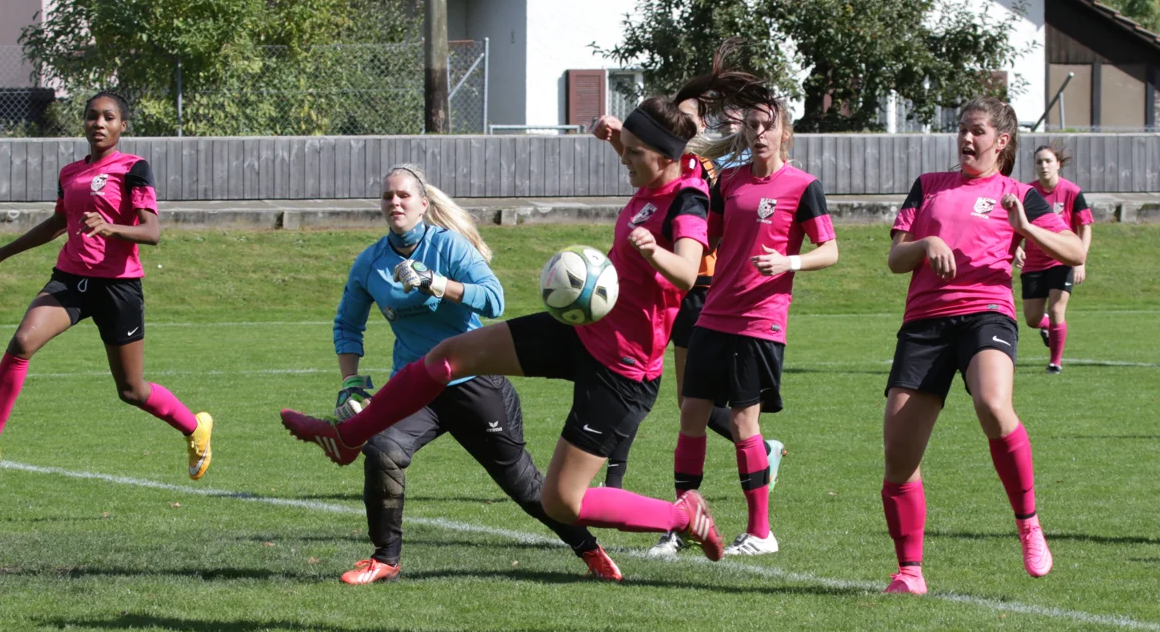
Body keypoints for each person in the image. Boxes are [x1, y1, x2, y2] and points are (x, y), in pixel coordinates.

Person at [280, 62, 776, 570]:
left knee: (561, 501)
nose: (624, 160)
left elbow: (688, 272)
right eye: (624, 149)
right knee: (447, 356)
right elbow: (650, 160)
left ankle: (681, 515)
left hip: (622, 368)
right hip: (583, 331)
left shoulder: (688, 199)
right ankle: (348, 437)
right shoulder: (668, 169)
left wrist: (652, 251)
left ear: (664, 157)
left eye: (633, 153)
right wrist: (616, 137)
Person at [328, 163, 621, 584]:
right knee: (382, 449)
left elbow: (494, 300)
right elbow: (347, 324)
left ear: (423, 204)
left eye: (404, 195)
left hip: (474, 380)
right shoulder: (369, 263)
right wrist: (350, 382)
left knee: (523, 485)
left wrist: (436, 283)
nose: (395, 202)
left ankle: (588, 549)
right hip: (415, 387)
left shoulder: (448, 245)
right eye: (388, 196)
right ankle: (385, 559)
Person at [0, 92, 214, 479]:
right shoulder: (70, 173)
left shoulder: (134, 168)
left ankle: (194, 427)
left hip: (118, 287)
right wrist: (2, 252)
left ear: (122, 126)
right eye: (92, 116)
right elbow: (58, 223)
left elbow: (152, 232)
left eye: (108, 117)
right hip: (71, 279)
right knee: (22, 343)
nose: (99, 123)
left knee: (131, 390)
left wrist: (111, 228)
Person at [881, 97, 1085, 595]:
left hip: (986, 313)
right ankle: (910, 572)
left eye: (977, 131)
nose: (966, 139)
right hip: (924, 323)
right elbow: (895, 259)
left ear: (1002, 140)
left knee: (993, 404)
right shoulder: (928, 185)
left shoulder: (1018, 194)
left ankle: (1028, 523)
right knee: (899, 457)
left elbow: (1074, 251)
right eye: (962, 129)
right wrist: (926, 244)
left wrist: (1026, 229)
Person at [590, 104, 785, 560]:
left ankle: (753, 484)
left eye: (689, 114)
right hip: (675, 294)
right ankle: (669, 515)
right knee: (687, 406)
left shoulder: (708, 173)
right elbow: (652, 171)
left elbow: (670, 180)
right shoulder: (688, 166)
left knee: (707, 410)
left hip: (705, 293)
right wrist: (617, 139)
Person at [676, 97, 837, 557]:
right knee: (691, 414)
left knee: (744, 423)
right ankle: (679, 525)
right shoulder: (729, 181)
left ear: (785, 132)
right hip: (713, 314)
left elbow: (830, 250)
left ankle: (760, 533)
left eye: (767, 125)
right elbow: (705, 236)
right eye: (751, 125)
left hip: (759, 322)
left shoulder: (803, 186)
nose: (759, 133)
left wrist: (789, 262)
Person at [1015, 145, 1093, 373]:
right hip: (1033, 262)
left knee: (1058, 310)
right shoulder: (1027, 192)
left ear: (1057, 164)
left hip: (1061, 259)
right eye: (1039, 162)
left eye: (1048, 161)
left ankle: (1054, 363)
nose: (1043, 166)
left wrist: (1080, 260)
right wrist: (1017, 247)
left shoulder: (1072, 191)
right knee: (1032, 318)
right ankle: (1048, 326)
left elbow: (1085, 227)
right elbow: (1013, 224)